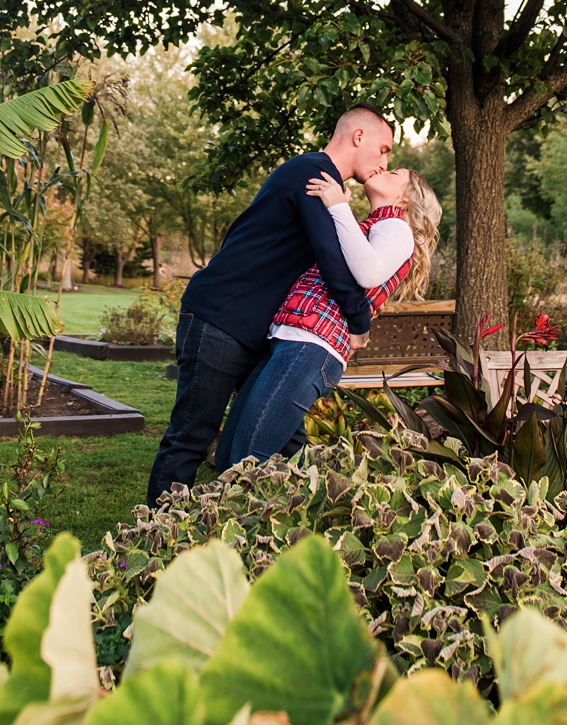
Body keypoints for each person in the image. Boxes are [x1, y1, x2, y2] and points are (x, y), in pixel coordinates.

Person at [143, 105, 394, 504]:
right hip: (220, 319)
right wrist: (359, 323)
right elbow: (332, 261)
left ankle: (284, 527)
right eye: (383, 150)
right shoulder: (313, 173)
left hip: (256, 332)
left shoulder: (327, 187)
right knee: (192, 435)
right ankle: (153, 539)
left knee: (284, 431)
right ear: (358, 137)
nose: (384, 161)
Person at [218, 166, 442, 466]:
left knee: (247, 458)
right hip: (293, 339)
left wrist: (339, 207)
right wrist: (339, 212)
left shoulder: (397, 228)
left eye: (395, 172)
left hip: (311, 346)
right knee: (234, 451)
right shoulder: (375, 226)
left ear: (406, 197)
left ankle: (241, 509)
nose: (383, 168)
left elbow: (368, 272)